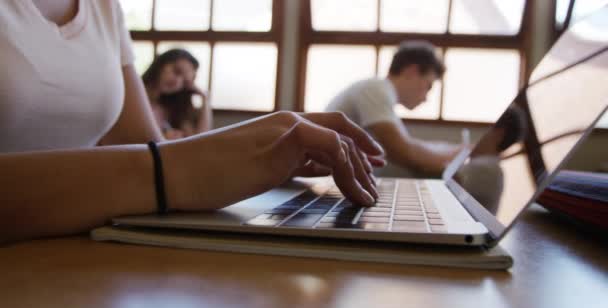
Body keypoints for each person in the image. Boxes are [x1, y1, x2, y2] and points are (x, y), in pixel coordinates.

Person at [0, 0, 385, 243]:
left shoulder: (103, 7)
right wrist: (183, 170)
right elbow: (159, 167)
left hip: (73, 261)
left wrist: (256, 157)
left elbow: (147, 149)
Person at [325, 40, 461, 177]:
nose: (426, 97)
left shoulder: (381, 93)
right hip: (328, 182)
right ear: (411, 71)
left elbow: (411, 145)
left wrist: (455, 150)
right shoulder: (375, 89)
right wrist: (457, 154)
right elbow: (404, 152)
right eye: (428, 86)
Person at [142, 48, 212, 140]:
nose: (177, 81)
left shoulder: (172, 109)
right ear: (161, 64)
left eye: (184, 82)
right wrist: (162, 139)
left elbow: (199, 140)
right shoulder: (133, 96)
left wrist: (205, 99)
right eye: (176, 71)